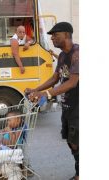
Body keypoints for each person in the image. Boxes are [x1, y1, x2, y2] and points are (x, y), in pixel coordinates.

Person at [25, 22, 79, 180]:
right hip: (68, 106)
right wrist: (37, 90)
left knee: (78, 142)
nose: (52, 38)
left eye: (56, 34)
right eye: (51, 35)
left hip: (80, 106)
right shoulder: (62, 55)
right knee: (71, 142)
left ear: (67, 35)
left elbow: (72, 82)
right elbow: (55, 78)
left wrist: (46, 94)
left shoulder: (77, 53)